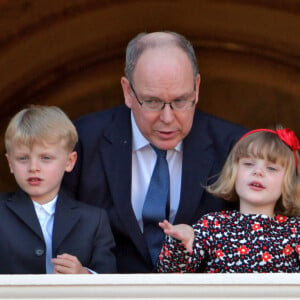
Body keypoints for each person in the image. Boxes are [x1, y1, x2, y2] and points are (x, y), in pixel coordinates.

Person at [62, 31, 247, 273]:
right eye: (152, 102)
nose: (168, 118)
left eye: (180, 101)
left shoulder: (235, 146)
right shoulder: (82, 140)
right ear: (128, 92)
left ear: (197, 88)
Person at [157, 127, 300, 273]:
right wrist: (180, 243)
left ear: (288, 183)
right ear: (233, 172)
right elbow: (171, 273)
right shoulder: (213, 224)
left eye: (271, 168)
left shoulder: (295, 231)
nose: (258, 172)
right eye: (248, 164)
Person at [0, 105, 116, 274]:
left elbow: (111, 283)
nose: (33, 167)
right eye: (23, 158)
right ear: (10, 163)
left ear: (70, 161)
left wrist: (84, 275)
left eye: (45, 158)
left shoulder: (93, 220)